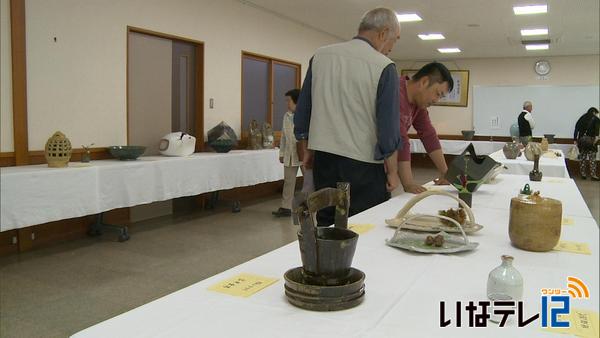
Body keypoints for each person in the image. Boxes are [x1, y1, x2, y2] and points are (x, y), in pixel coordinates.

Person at [294, 7, 402, 226]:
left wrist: (306, 149)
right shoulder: (384, 67)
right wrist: (392, 171)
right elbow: (387, 128)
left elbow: (304, 110)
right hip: (362, 165)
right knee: (364, 223)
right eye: (394, 40)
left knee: (327, 219)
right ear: (383, 33)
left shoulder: (320, 56)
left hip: (324, 159)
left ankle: (327, 259)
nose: (391, 47)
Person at [396, 62, 454, 194]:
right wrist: (408, 183)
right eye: (437, 94)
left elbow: (428, 135)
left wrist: (445, 173)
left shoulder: (419, 104)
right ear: (424, 82)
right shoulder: (395, 92)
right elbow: (401, 140)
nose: (436, 100)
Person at [272, 89, 302, 217]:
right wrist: (282, 153)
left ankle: (312, 207)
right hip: (290, 153)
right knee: (289, 181)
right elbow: (284, 136)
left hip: (303, 153)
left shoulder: (305, 114)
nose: (287, 103)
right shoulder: (286, 116)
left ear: (296, 100)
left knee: (309, 182)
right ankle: (286, 207)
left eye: (288, 100)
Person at [573, 107, 600, 180]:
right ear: (594, 112)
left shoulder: (582, 118)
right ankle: (593, 175)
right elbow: (597, 134)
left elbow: (576, 129)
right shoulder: (596, 119)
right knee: (592, 159)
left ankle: (583, 175)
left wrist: (575, 139)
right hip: (591, 142)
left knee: (582, 158)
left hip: (582, 142)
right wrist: (595, 142)